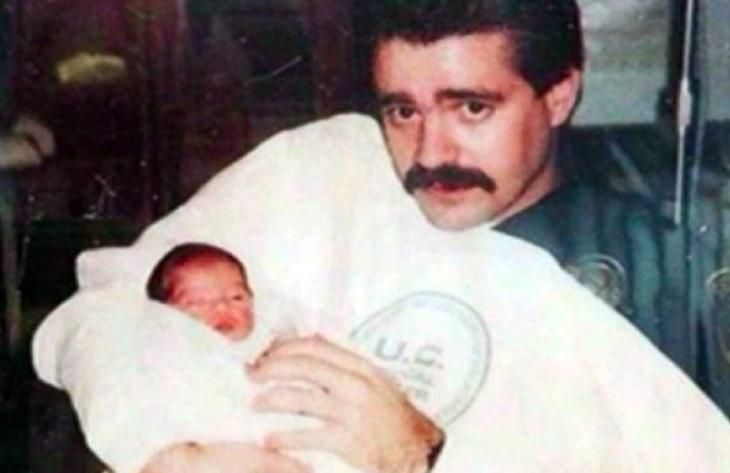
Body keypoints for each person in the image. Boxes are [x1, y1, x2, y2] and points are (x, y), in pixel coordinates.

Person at [32, 2, 730, 473]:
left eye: (472, 107)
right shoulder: (323, 170)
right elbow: (99, 308)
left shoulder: (645, 269)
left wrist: (424, 459)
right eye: (402, 109)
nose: (429, 151)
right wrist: (164, 446)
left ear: (558, 95)